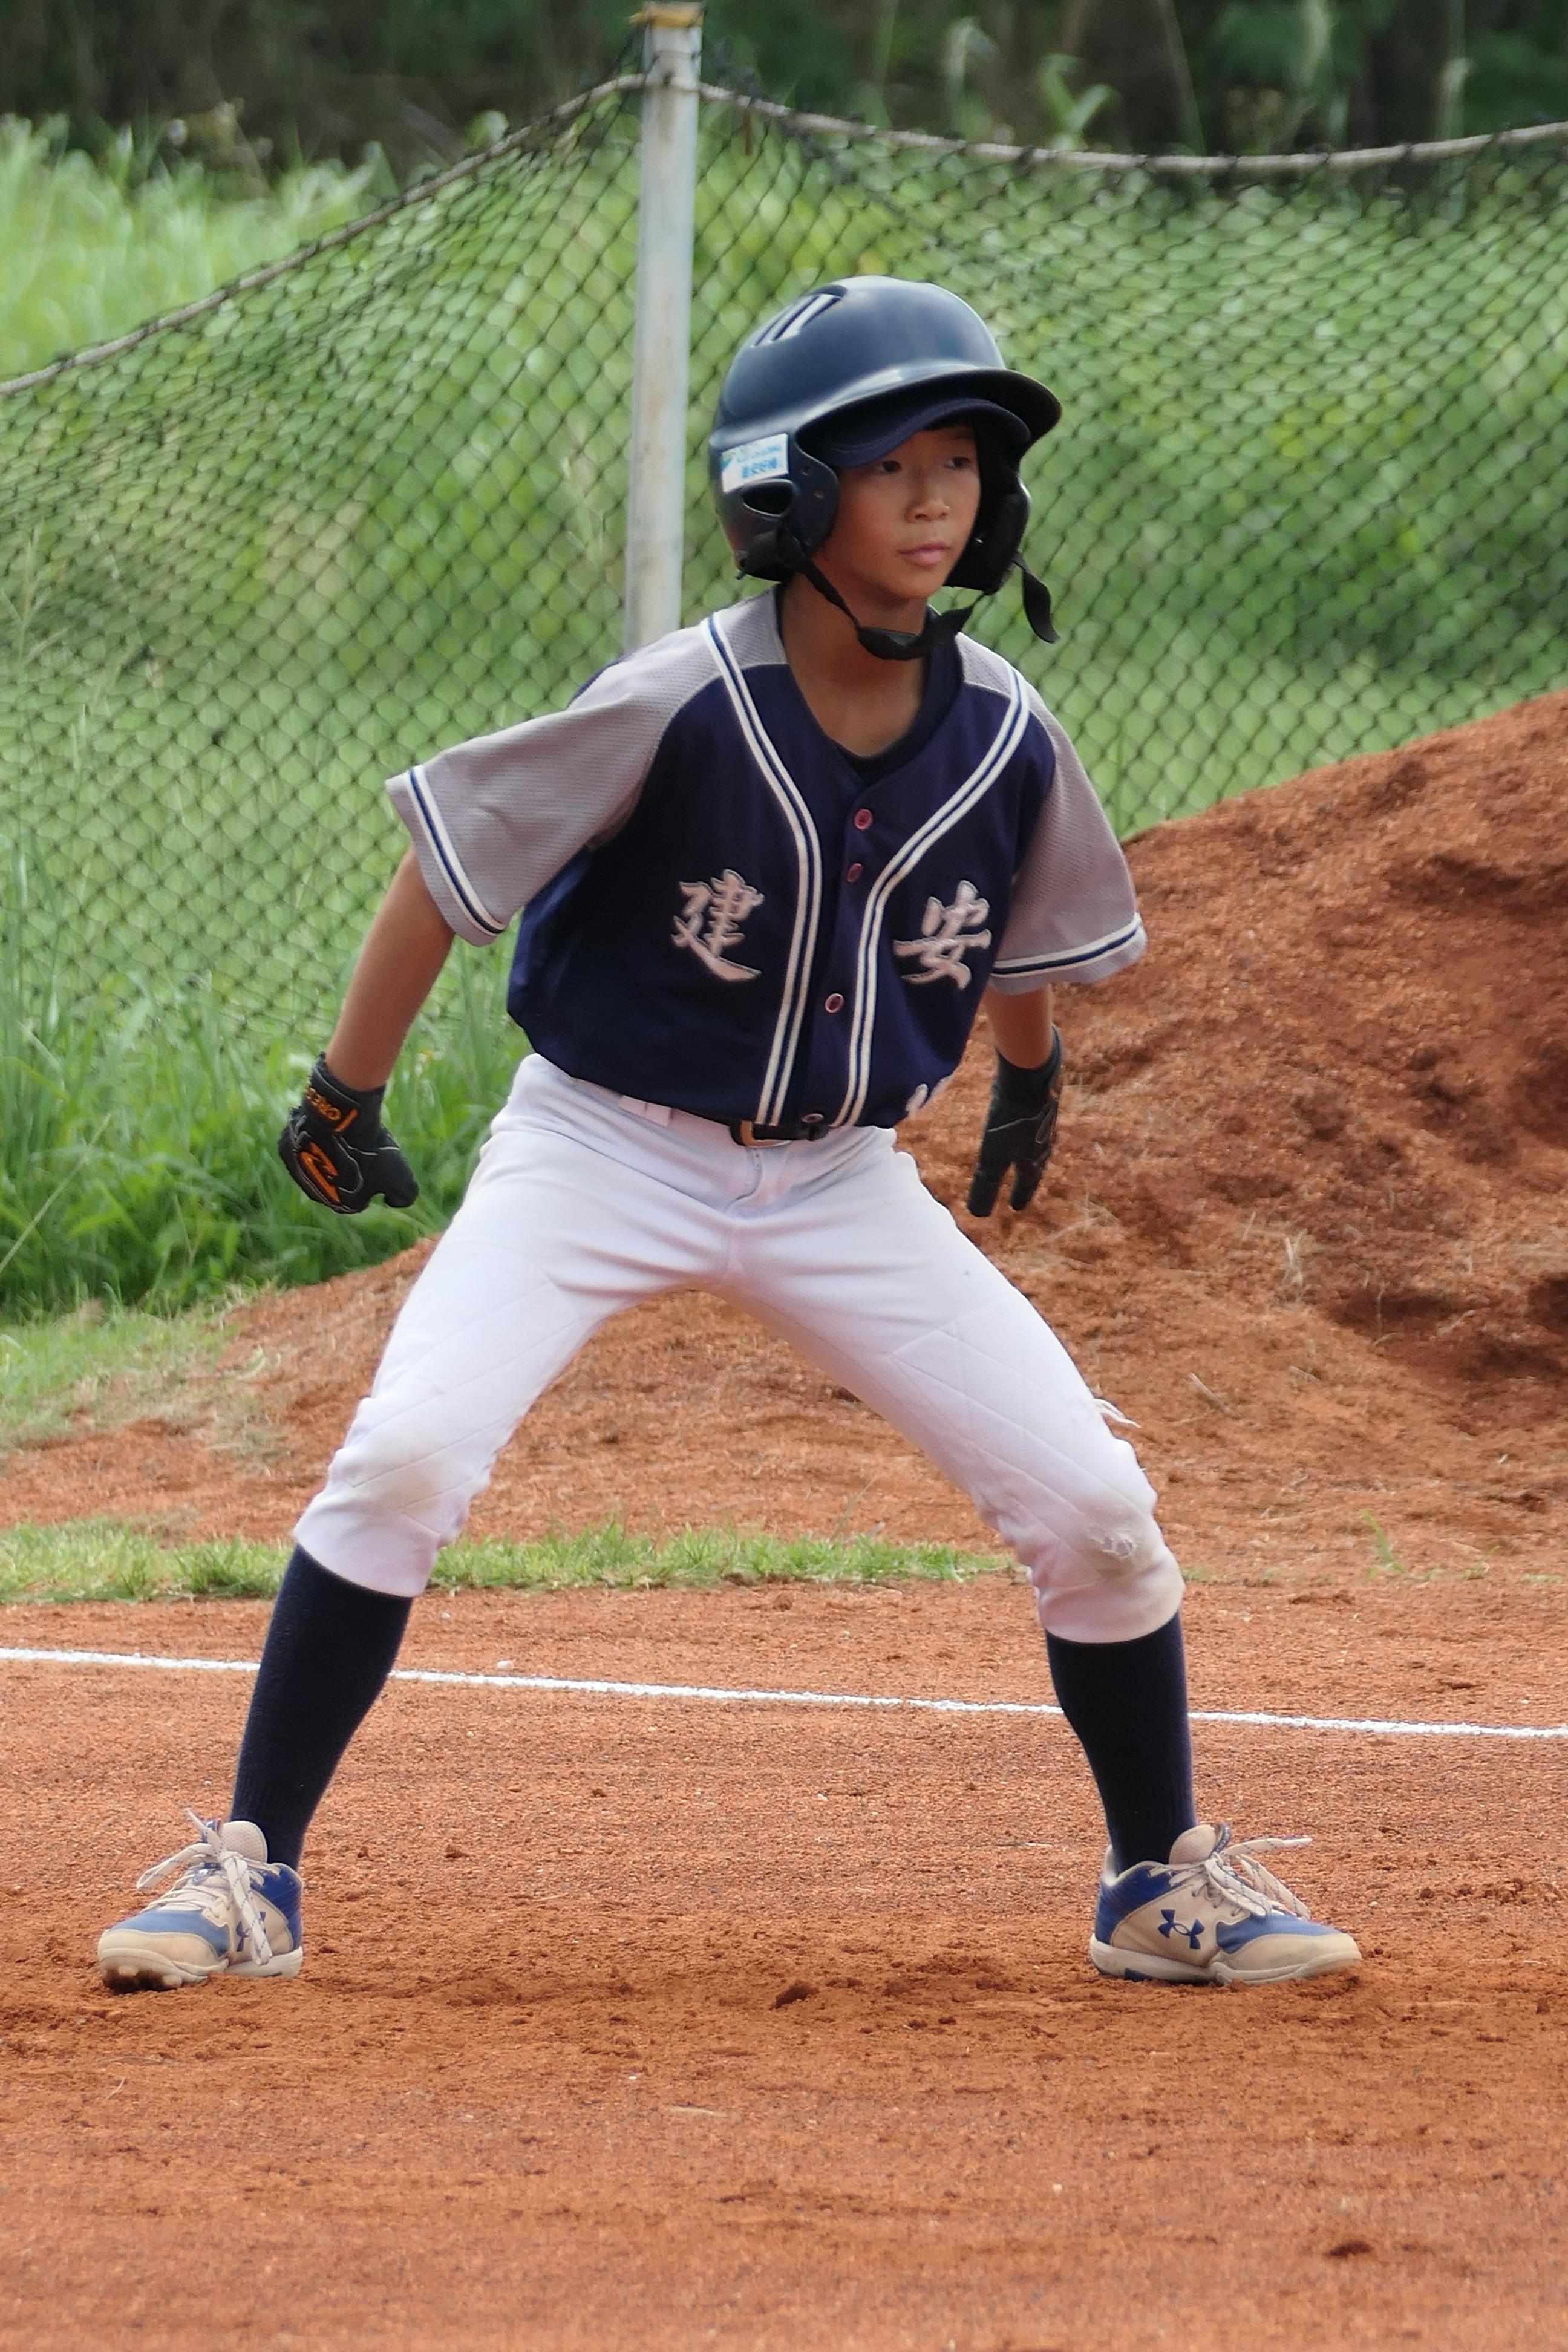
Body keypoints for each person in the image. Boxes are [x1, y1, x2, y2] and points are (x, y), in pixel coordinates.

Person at [97, 277, 1358, 1994]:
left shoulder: (1005, 730)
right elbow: (452, 860)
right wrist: (345, 1089)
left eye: (961, 464)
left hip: (841, 1177)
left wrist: (1032, 1077)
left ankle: (1156, 1883)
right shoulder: (678, 697)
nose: (935, 499)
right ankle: (248, 1873)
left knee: (1099, 1510)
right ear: (789, 492)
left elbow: (1010, 929)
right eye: (890, 464)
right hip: (600, 1149)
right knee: (402, 1461)